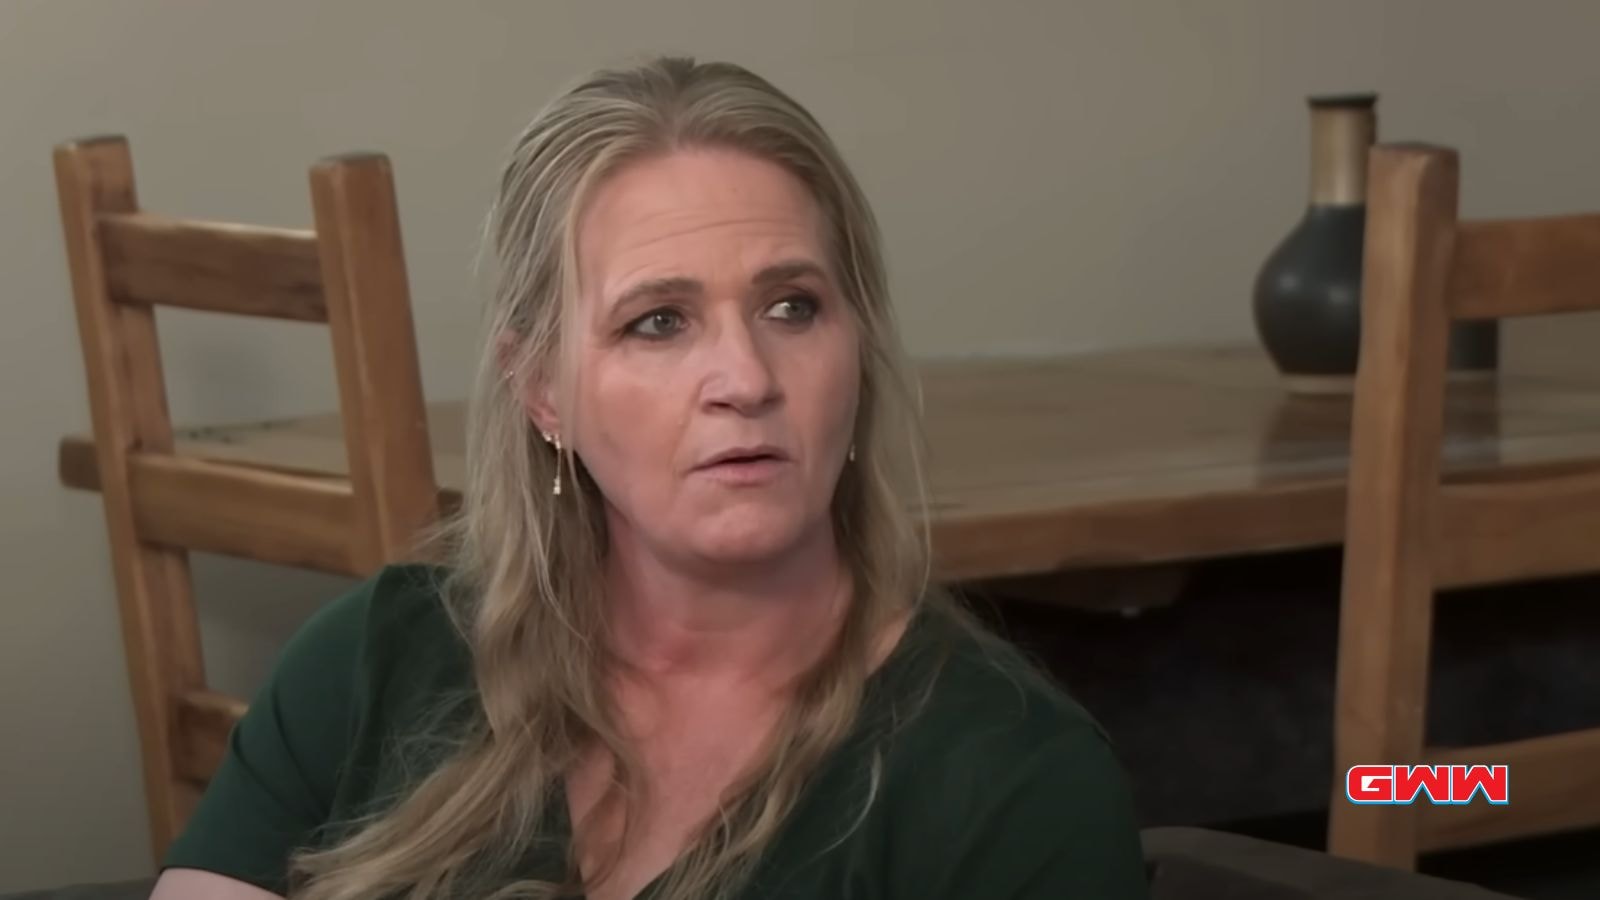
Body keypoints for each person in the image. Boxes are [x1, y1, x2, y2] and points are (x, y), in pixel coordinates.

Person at [151, 56, 1148, 900]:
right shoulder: (376, 663)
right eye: (657, 322)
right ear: (541, 389)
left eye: (793, 307)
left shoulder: (1014, 784)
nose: (747, 380)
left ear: (860, 349)